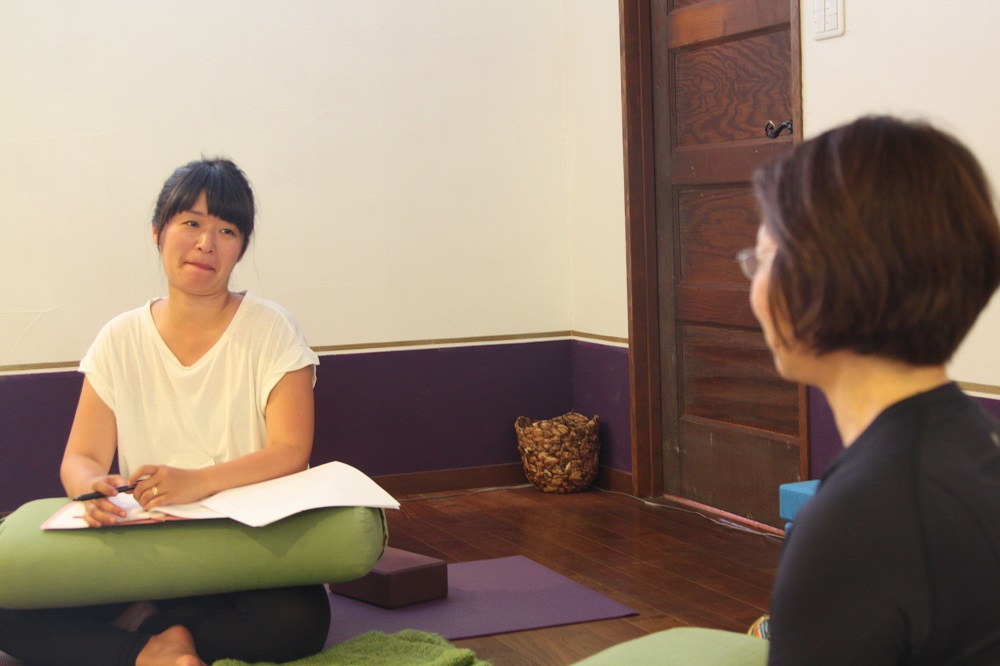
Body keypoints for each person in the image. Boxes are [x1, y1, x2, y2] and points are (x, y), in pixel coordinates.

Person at [0, 158, 329, 666]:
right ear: (158, 231)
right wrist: (91, 489)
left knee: (298, 621)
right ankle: (155, 644)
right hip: (146, 548)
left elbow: (290, 450)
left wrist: (199, 481)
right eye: (191, 223)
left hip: (243, 544)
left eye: (227, 230)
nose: (206, 244)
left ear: (241, 247)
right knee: (9, 609)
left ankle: (149, 630)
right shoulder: (119, 337)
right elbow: (81, 457)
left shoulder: (272, 329)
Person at [741, 116, 1000, 664]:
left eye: (762, 258)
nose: (754, 291)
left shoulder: (854, 525)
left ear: (826, 277)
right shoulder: (969, 439)